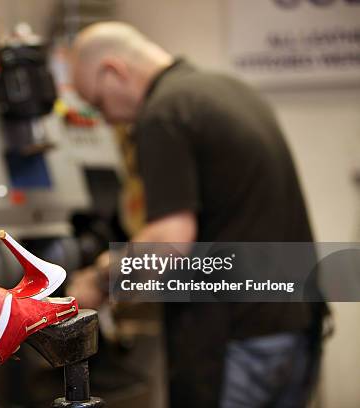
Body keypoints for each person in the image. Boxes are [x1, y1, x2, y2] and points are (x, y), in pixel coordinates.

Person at [67, 22, 327, 407]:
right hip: (297, 326)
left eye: (100, 102)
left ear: (114, 70)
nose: (106, 120)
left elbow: (169, 242)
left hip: (238, 341)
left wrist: (99, 280)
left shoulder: (164, 112)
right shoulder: (227, 89)